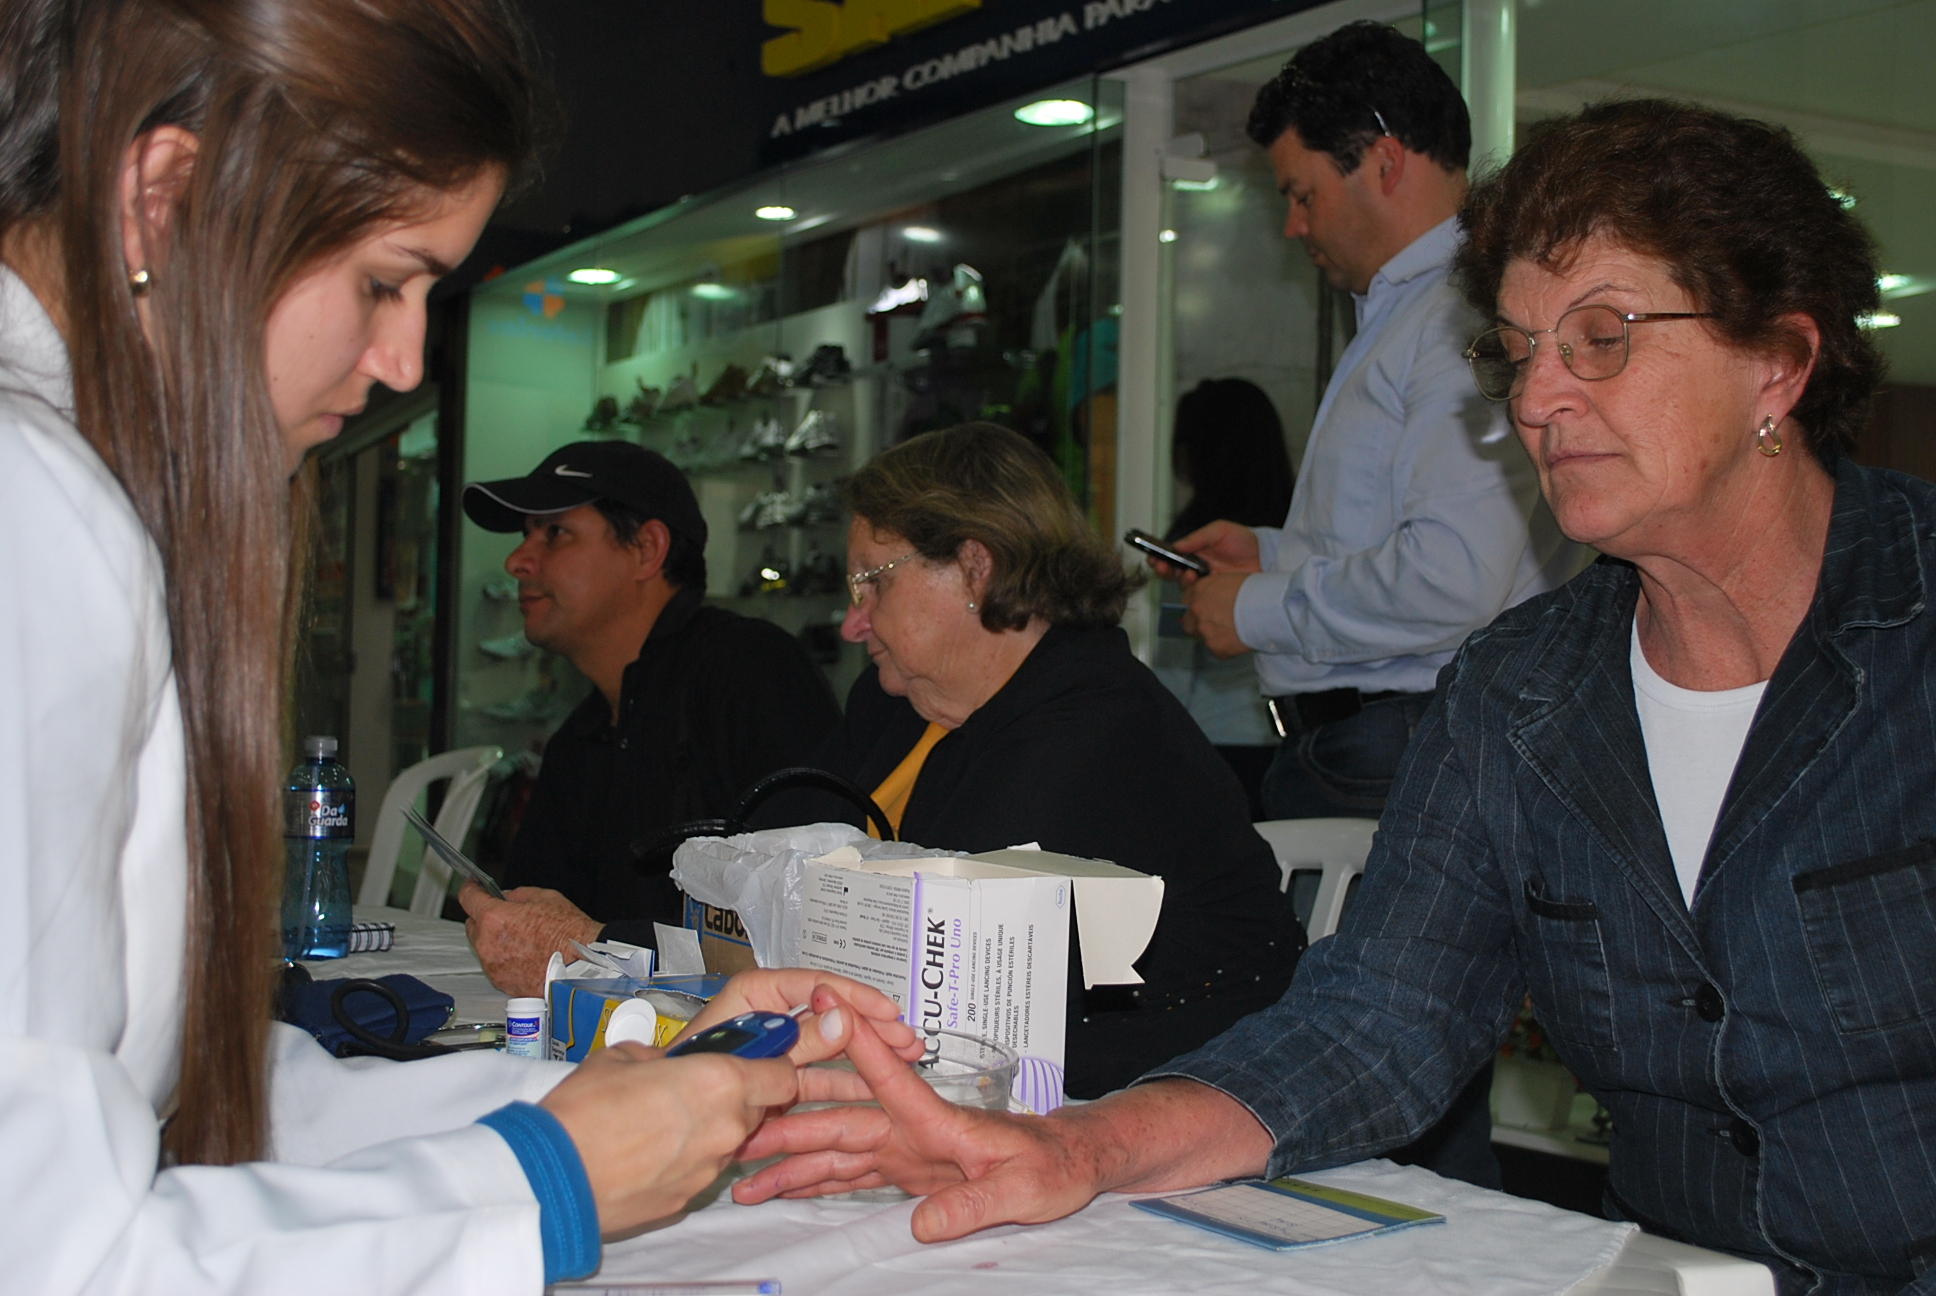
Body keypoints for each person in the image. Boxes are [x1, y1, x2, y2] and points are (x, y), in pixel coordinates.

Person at [737, 98, 1936, 1296]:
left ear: (1780, 359)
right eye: (1516, 350)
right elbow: (1377, 1019)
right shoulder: (1520, 692)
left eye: (1603, 336)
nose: (1536, 399)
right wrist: (1075, 1146)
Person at [0, 3, 914, 1292]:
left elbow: (166, 1104)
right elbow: (53, 1250)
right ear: (166, 196)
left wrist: (613, 1088)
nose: (404, 357)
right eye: (384, 280)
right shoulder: (32, 515)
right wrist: (539, 1182)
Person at [760, 422, 1304, 1100]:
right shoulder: (899, 701)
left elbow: (924, 959)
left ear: (975, 568)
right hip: (988, 1082)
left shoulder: (1095, 727)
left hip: (1184, 1095)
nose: (853, 621)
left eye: (873, 585)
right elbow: (768, 863)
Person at [1157, 21, 1580, 822]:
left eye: (1301, 194)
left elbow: (1452, 576)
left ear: (1385, 161)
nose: (1293, 226)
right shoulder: (1408, 315)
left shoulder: (1464, 315)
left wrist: (1255, 608)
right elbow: (1405, 542)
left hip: (1406, 749)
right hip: (1379, 746)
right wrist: (1271, 555)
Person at [455, 441, 839, 995]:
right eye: (524, 535)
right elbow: (534, 913)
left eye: (555, 533)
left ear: (646, 549)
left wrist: (597, 945)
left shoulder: (750, 673)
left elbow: (814, 921)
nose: (519, 560)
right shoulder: (581, 735)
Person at [1149, 377, 1296, 818]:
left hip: (1213, 742)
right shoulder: (1297, 538)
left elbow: (1175, 664)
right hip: (1288, 738)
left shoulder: (1199, 546)